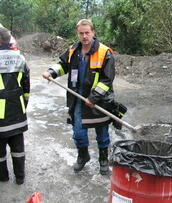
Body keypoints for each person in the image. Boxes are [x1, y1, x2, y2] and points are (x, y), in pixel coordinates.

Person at [42, 19, 116, 175]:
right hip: (77, 99)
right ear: (78, 33)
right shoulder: (73, 50)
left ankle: (103, 159)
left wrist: (94, 97)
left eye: (87, 32)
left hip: (99, 101)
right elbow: (62, 65)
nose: (84, 36)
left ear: (93, 32)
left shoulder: (104, 53)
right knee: (78, 131)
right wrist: (51, 72)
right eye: (81, 33)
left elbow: (107, 79)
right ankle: (83, 156)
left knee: (102, 131)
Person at [0, 27, 30, 185]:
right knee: (18, 149)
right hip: (18, 114)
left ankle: (3, 176)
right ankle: (20, 177)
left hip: (0, 118)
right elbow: (26, 87)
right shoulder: (20, 58)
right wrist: (23, 105)